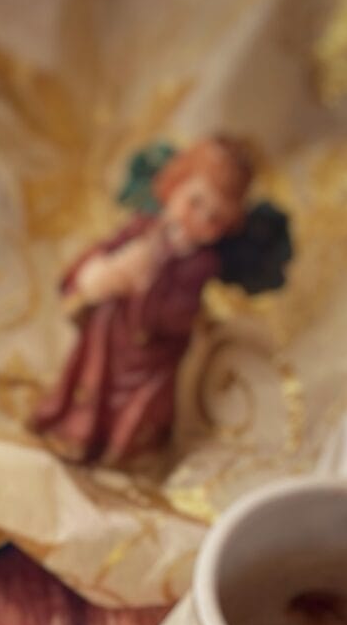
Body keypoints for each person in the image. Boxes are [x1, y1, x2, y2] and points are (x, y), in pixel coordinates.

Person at [33, 135, 255, 468]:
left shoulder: (200, 264)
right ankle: (77, 432)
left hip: (154, 352)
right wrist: (95, 273)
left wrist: (145, 290)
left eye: (215, 219)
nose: (200, 219)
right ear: (175, 186)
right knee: (92, 381)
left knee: (140, 405)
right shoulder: (143, 228)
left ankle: (129, 449)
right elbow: (104, 251)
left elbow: (181, 313)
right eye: (195, 203)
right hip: (110, 331)